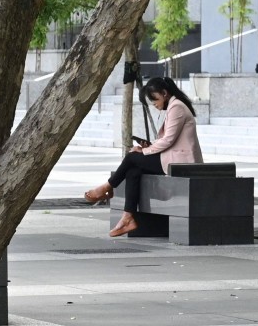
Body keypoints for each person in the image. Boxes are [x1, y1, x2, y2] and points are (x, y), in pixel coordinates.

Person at [84, 76, 204, 237]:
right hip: (171, 158)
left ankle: (107, 187)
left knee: (132, 158)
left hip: (181, 161)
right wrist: (148, 146)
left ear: (165, 93)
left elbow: (169, 140)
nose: (154, 104)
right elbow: (166, 139)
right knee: (133, 171)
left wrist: (145, 151)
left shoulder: (177, 107)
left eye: (155, 99)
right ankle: (128, 217)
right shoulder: (174, 106)